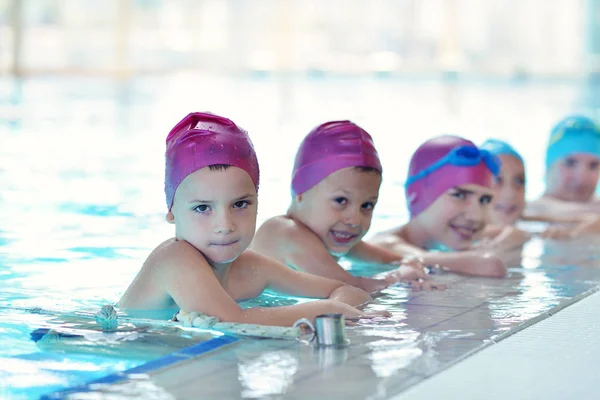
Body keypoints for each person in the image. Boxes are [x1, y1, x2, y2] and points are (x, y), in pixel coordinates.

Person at [118, 112, 389, 326]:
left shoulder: (252, 268)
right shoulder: (174, 259)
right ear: (172, 212)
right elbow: (231, 320)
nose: (225, 225)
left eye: (240, 204)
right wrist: (328, 310)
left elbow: (347, 290)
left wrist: (338, 305)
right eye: (202, 208)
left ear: (258, 204)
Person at [251, 120, 442, 293]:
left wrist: (409, 264)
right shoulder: (284, 233)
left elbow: (392, 261)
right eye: (341, 201)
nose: (355, 220)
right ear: (300, 192)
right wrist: (398, 276)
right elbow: (348, 287)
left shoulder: (331, 237)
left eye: (367, 205)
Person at [369, 135, 508, 277]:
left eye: (484, 200)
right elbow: (490, 265)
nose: (475, 216)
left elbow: (513, 233)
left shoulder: (440, 242)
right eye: (459, 195)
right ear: (416, 194)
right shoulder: (384, 246)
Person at [481, 138, 600, 240]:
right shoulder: (510, 233)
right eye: (497, 180)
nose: (510, 193)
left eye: (519, 181)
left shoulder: (525, 222)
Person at [527, 115, 600, 218]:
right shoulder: (518, 212)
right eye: (570, 163)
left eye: (593, 166)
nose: (582, 177)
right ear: (549, 167)